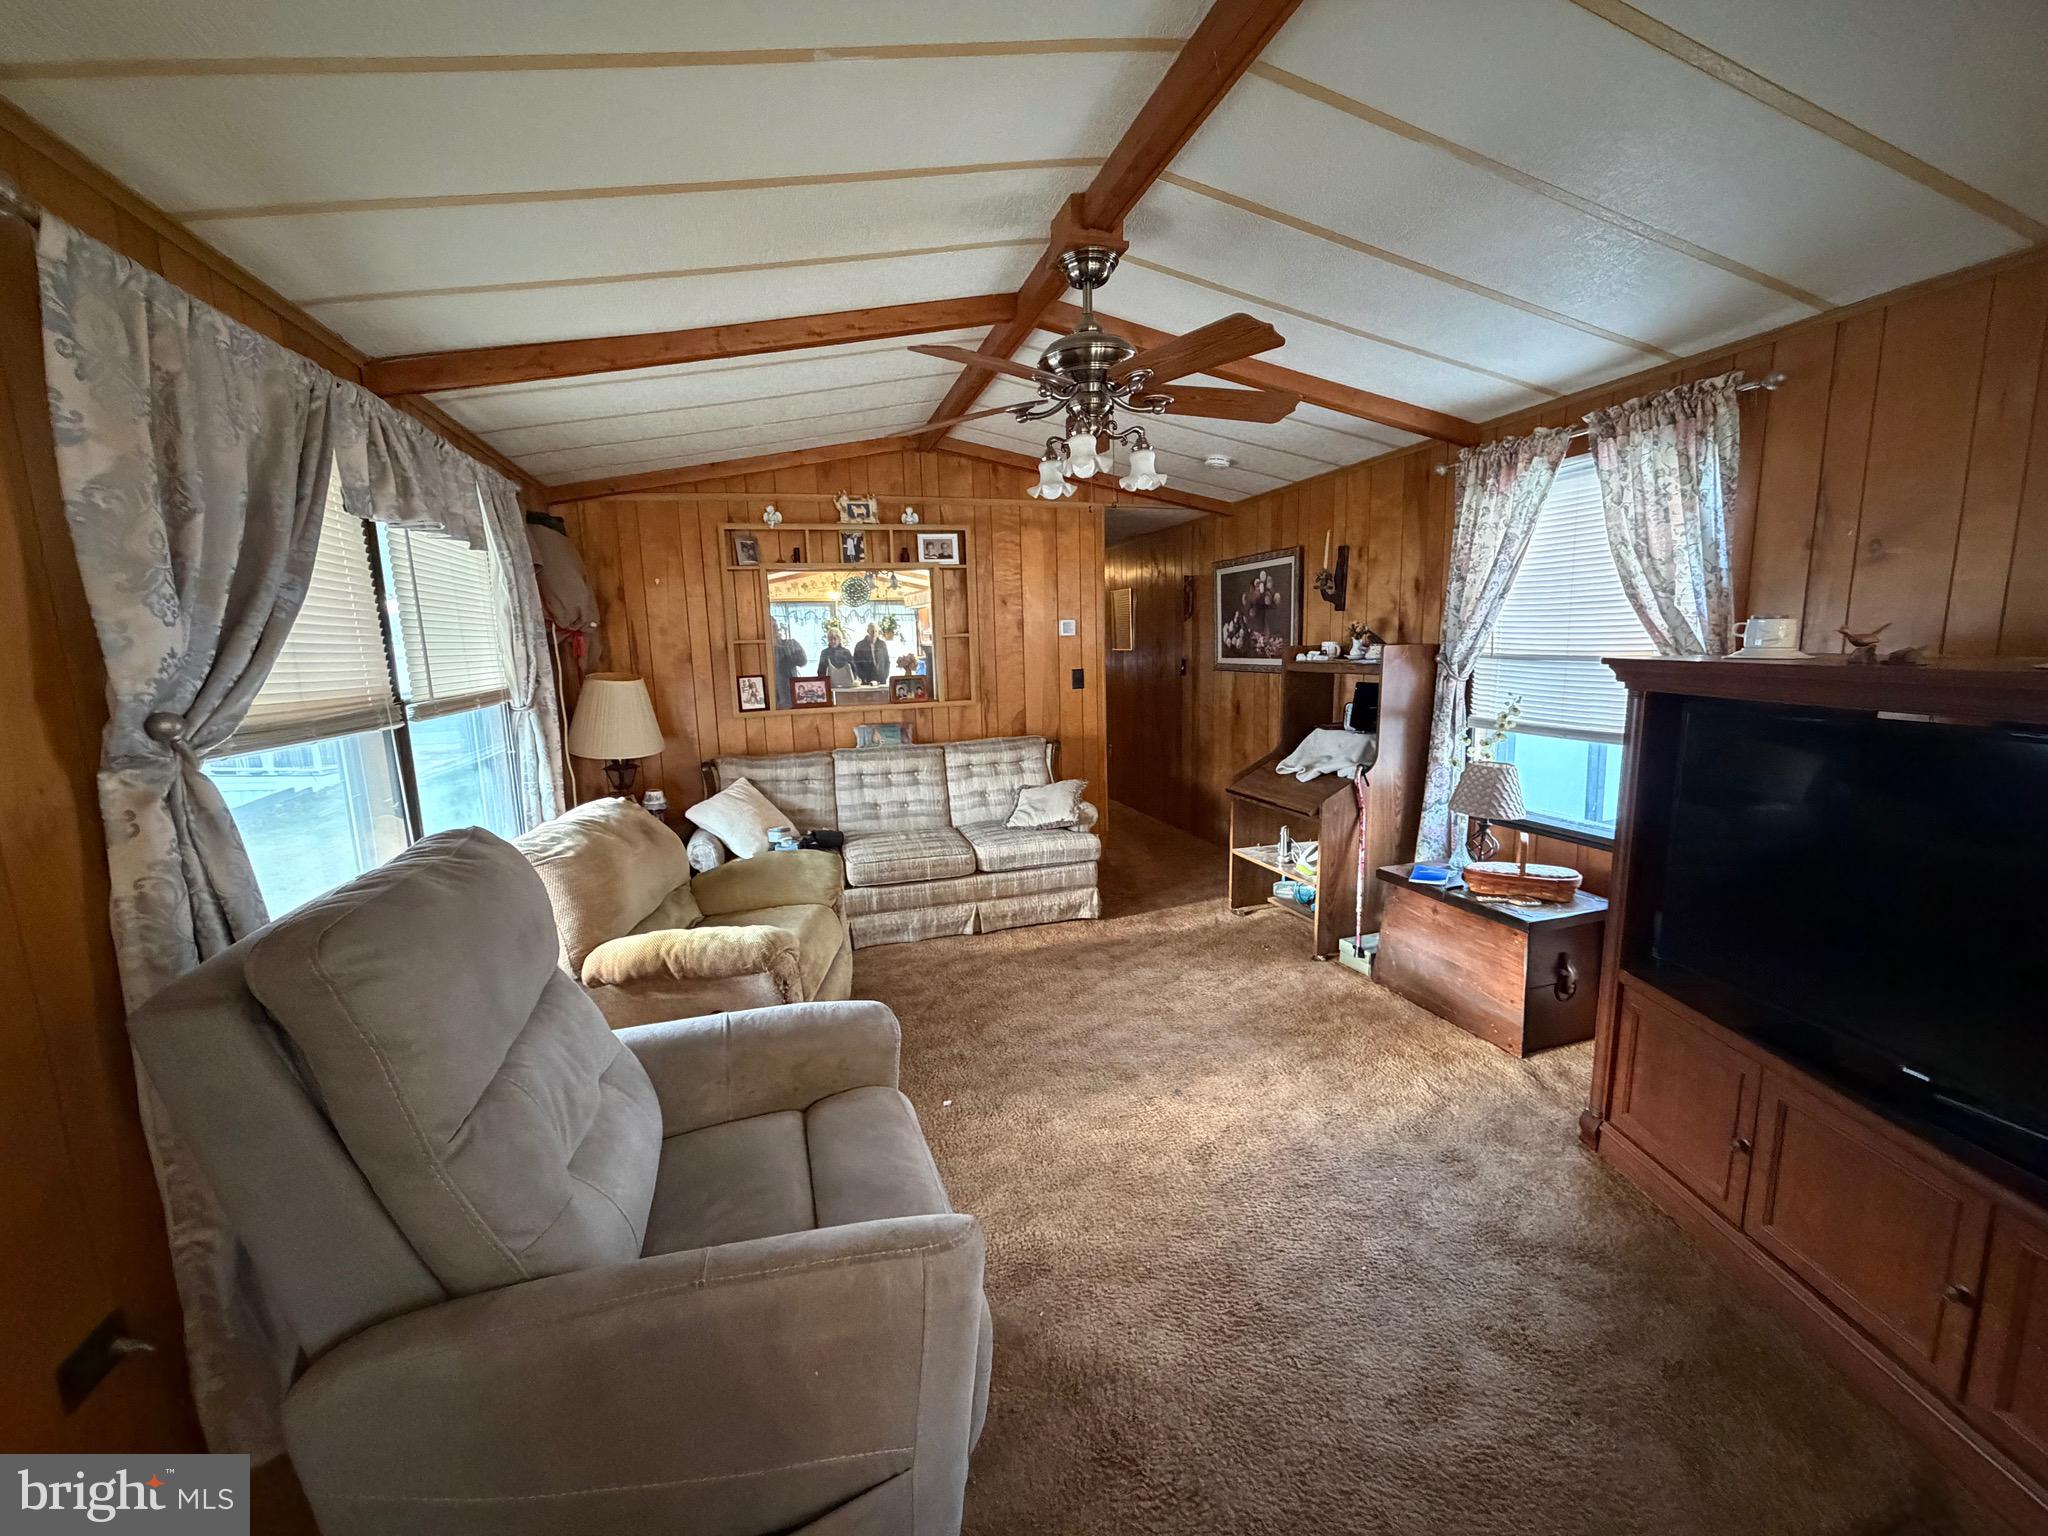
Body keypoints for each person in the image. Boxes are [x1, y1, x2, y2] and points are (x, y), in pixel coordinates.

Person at [771, 622, 807, 709]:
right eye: (772, 627)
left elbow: (803, 661)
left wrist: (790, 651)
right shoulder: (766, 648)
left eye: (775, 626)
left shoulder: (791, 644)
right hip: (773, 694)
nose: (775, 629)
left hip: (790, 692)